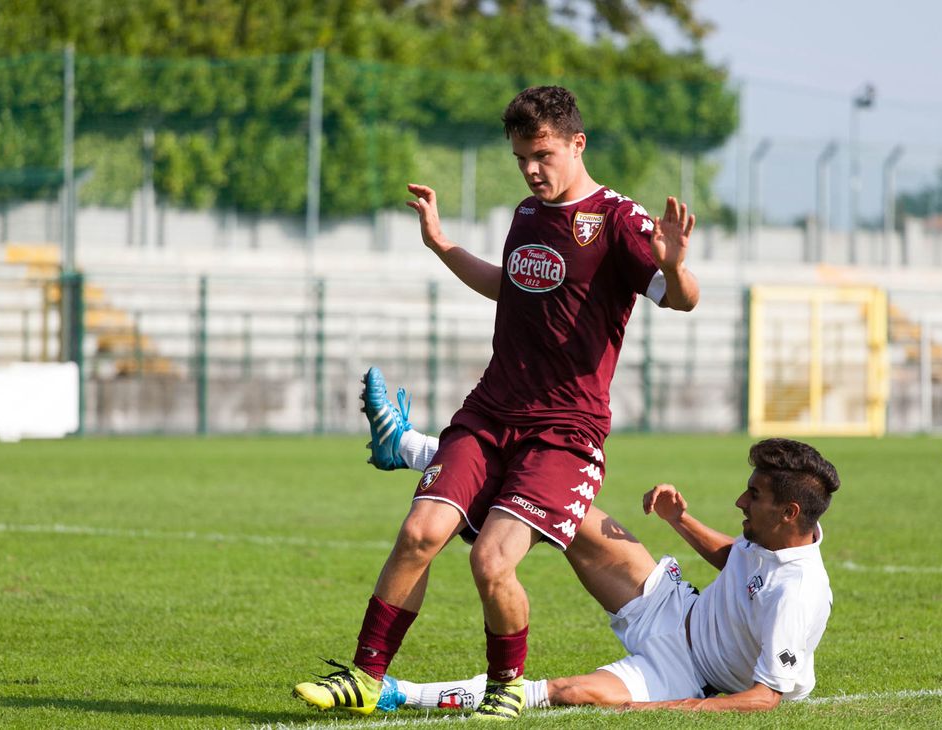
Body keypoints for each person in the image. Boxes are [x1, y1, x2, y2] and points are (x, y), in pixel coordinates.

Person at [292, 85, 700, 719]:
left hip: (564, 433)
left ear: (576, 143)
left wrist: (673, 268)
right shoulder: (527, 215)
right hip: (489, 413)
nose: (532, 170)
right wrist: (441, 244)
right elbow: (507, 287)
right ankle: (367, 675)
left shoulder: (619, 219)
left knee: (492, 559)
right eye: (520, 159)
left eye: (542, 154)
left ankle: (504, 685)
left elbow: (683, 298)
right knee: (419, 532)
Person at [355, 408, 840, 715]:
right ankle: (410, 448)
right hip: (671, 608)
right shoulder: (776, 535)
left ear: (788, 512)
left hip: (689, 675)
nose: (740, 501)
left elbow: (764, 698)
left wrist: (674, 706)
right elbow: (740, 560)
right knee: (566, 509)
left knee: (565, 692)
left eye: (753, 495)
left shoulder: (797, 594)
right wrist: (681, 520)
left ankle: (400, 693)